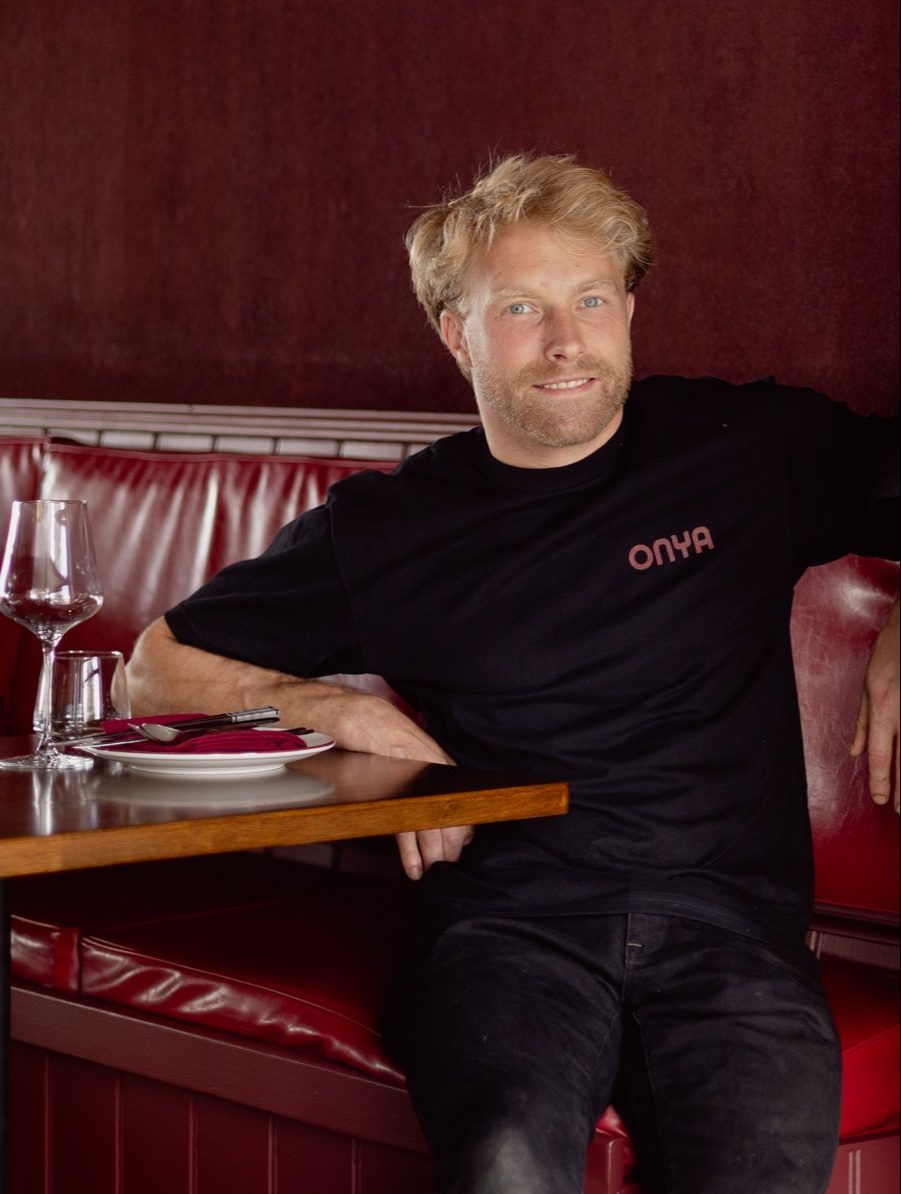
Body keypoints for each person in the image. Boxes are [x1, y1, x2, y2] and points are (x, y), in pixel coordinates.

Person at [127, 154, 899, 1194]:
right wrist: (342, 713)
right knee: (504, 1162)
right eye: (522, 308)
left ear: (627, 307)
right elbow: (153, 670)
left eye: (590, 299)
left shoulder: (742, 449)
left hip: (732, 933)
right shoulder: (388, 529)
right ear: (456, 332)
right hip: (509, 933)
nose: (566, 340)